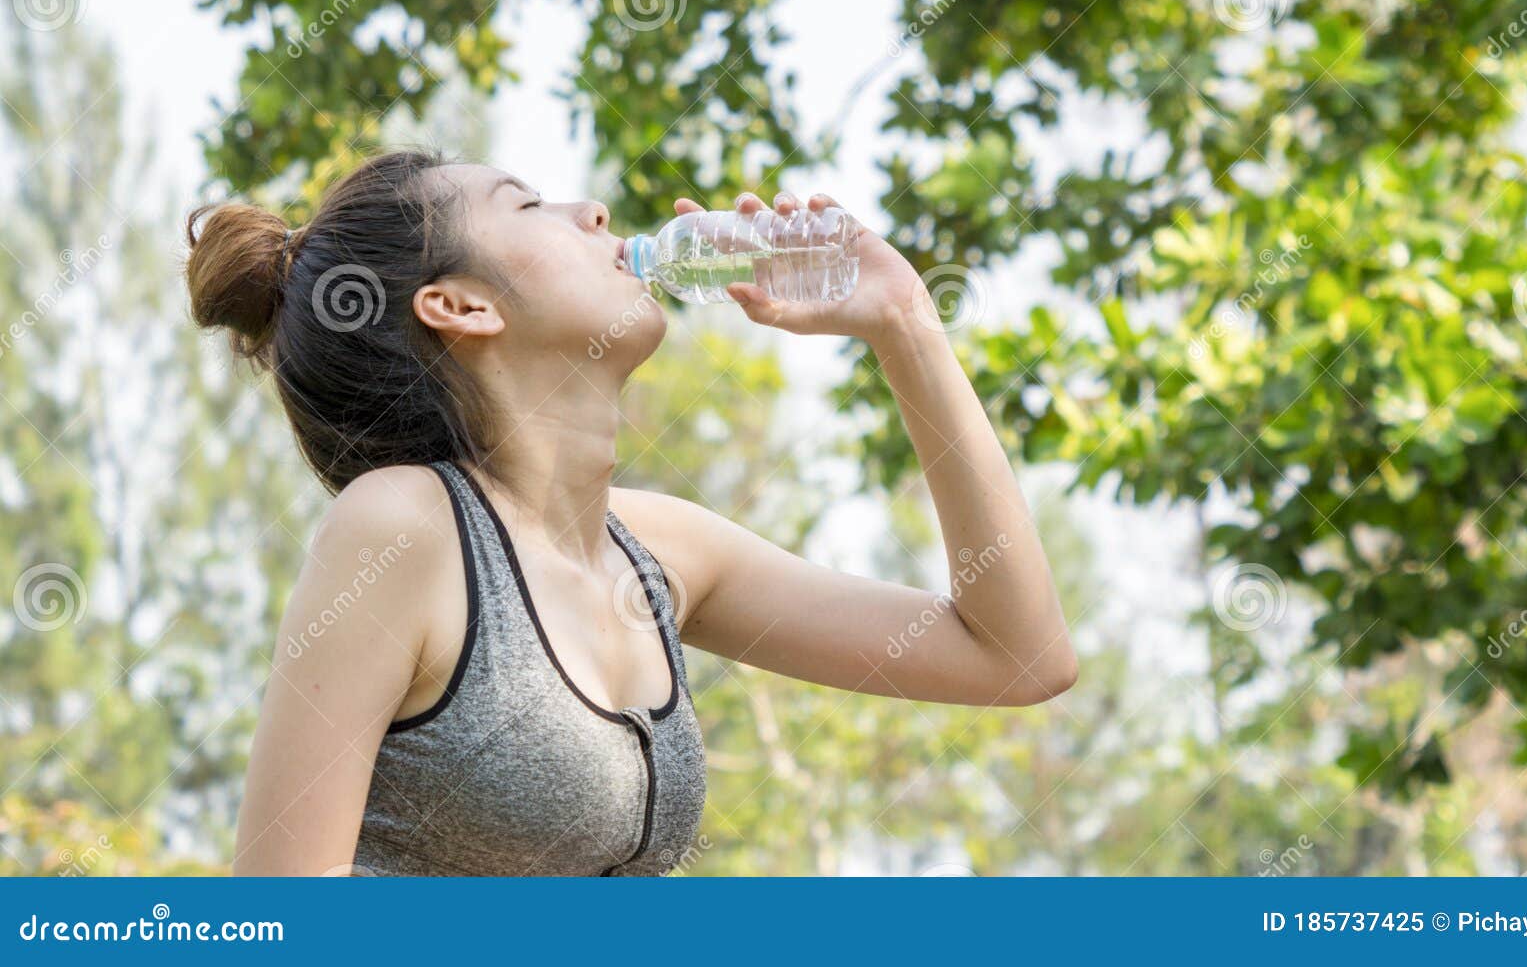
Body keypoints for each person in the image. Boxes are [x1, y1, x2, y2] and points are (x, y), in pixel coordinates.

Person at [184, 150, 1077, 876]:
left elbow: (1016, 654)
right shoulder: (403, 529)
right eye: (527, 205)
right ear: (460, 306)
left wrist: (906, 323)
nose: (595, 212)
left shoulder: (661, 552)